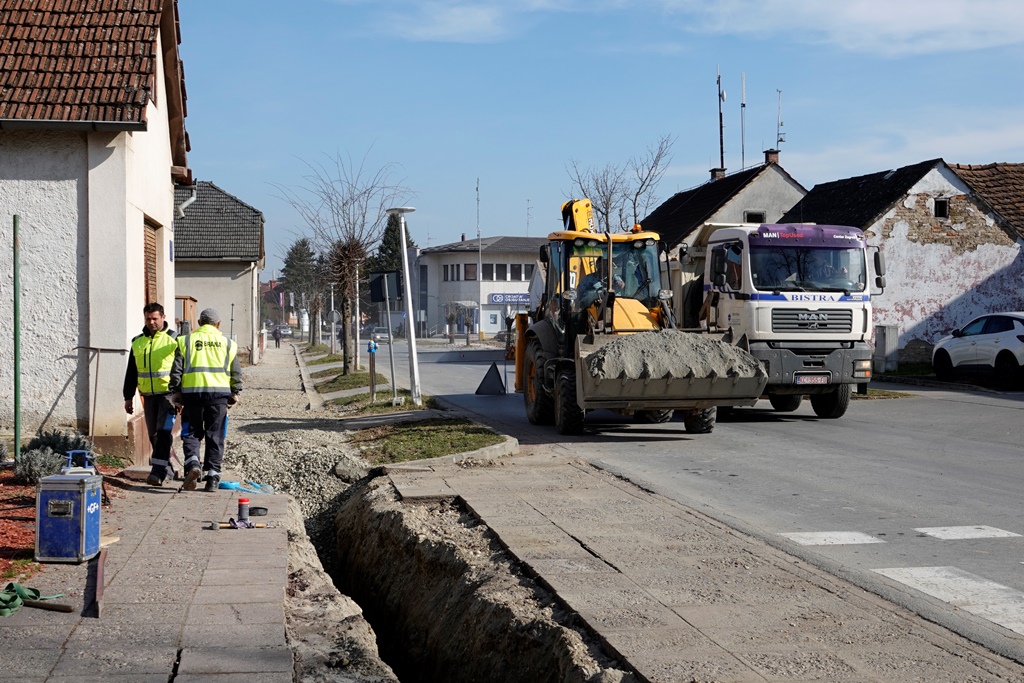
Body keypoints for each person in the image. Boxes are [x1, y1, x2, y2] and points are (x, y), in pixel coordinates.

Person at [169, 308, 244, 492]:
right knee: (215, 435)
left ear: (200, 324)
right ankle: (212, 477)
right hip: (218, 397)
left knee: (191, 432)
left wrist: (176, 392)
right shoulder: (228, 343)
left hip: (192, 395)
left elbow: (176, 369)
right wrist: (235, 391)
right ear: (218, 324)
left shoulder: (186, 340)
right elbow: (236, 371)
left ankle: (193, 463)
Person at [123, 302, 179, 487]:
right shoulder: (137, 342)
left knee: (163, 432)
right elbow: (131, 372)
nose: (152, 322)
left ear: (163, 317)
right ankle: (167, 469)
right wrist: (128, 397)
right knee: (154, 434)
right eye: (148, 318)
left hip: (168, 395)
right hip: (147, 395)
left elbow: (182, 369)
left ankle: (157, 472)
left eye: (155, 318)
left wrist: (181, 395)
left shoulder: (174, 340)